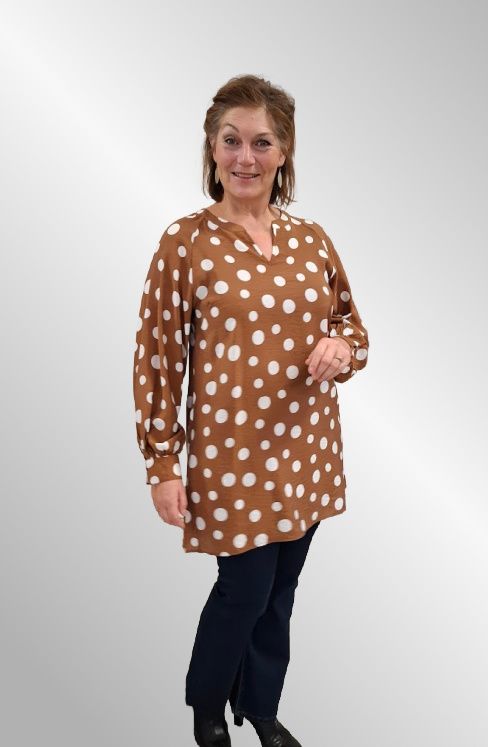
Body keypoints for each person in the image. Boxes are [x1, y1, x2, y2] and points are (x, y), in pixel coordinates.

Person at [132, 74, 369, 747]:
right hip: (231, 457)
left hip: (307, 451)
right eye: (232, 140)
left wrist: (341, 348)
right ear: (212, 148)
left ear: (283, 152)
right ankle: (208, 704)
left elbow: (354, 330)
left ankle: (261, 706)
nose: (246, 157)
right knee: (244, 591)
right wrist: (162, 463)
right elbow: (158, 358)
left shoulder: (311, 239)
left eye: (262, 142)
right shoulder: (185, 242)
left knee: (281, 592)